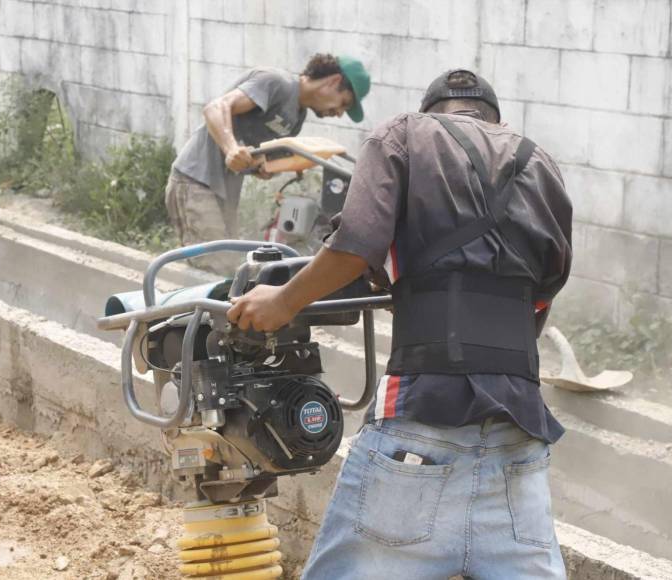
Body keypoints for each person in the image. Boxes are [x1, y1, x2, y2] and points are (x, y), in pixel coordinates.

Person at [227, 69, 573, 579]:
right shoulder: (539, 161)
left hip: (420, 436)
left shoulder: (404, 134)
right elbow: (543, 292)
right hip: (519, 448)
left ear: (434, 110)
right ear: (497, 122)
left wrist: (283, 301)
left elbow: (356, 246)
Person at [165, 53, 370, 272]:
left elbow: (255, 157)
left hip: (224, 191)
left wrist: (263, 168)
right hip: (196, 180)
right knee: (216, 266)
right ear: (334, 81)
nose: (339, 114)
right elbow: (216, 108)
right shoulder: (276, 82)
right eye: (344, 103)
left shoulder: (297, 117)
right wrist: (231, 148)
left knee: (231, 268)